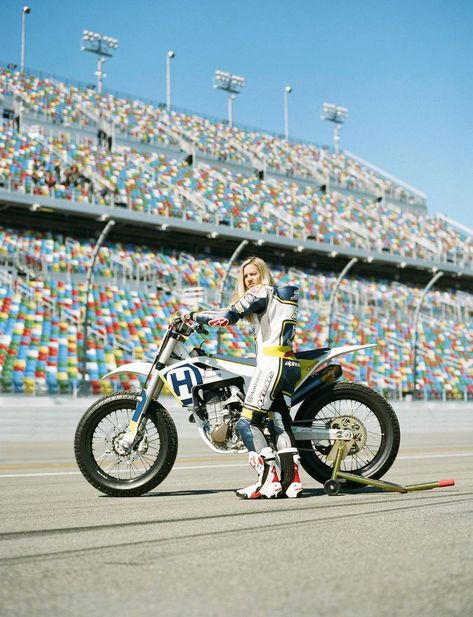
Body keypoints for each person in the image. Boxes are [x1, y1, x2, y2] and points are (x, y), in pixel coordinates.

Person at [182, 256, 303, 499]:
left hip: (272, 363)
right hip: (289, 363)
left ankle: (267, 481)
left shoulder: (260, 292)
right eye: (245, 276)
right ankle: (292, 482)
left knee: (247, 422)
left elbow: (226, 317)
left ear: (263, 273)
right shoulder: (281, 295)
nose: (249, 280)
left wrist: (193, 316)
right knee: (279, 421)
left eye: (253, 274)